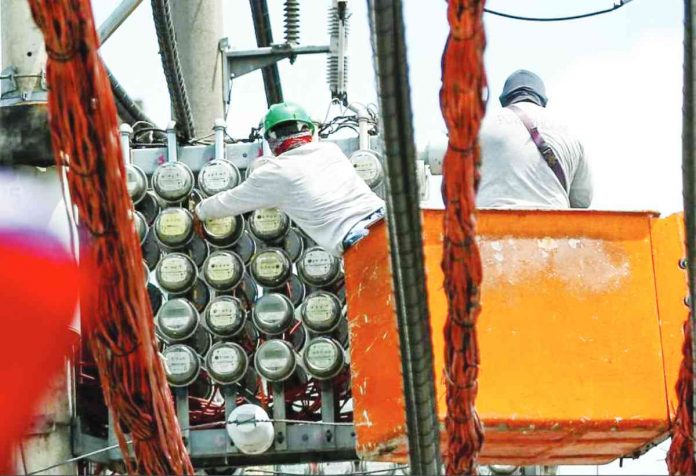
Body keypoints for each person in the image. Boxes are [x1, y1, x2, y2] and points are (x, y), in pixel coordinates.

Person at [195, 102, 385, 256]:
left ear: (271, 140)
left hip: (363, 242)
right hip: (390, 221)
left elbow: (227, 202)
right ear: (309, 130)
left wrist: (199, 212)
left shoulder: (275, 173)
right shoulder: (330, 150)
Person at [476, 69, 593, 209]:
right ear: (543, 100)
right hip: (552, 227)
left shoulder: (480, 126)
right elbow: (581, 201)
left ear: (504, 99)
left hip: (488, 226)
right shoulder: (569, 131)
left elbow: (455, 186)